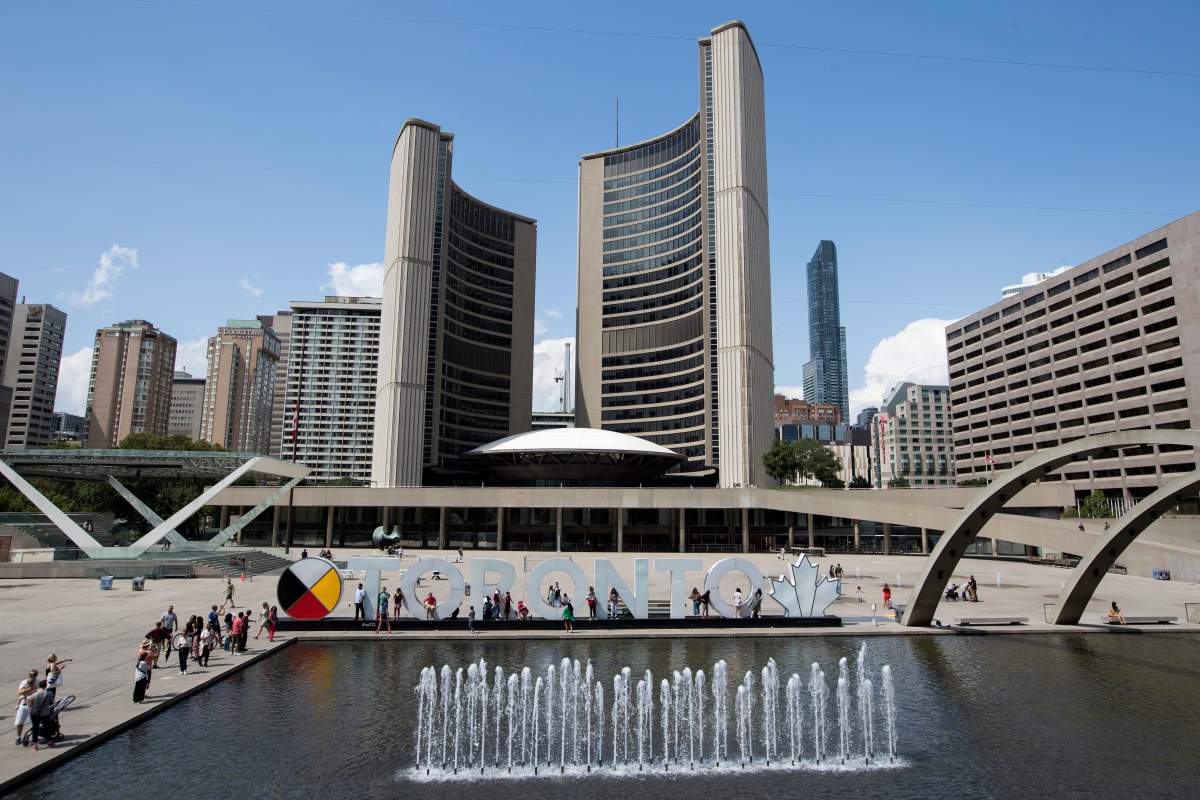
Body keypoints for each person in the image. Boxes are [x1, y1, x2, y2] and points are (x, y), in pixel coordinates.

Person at [26, 680, 55, 750]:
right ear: (46, 686)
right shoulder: (49, 693)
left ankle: (35, 745)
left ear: (39, 686)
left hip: (35, 713)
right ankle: (50, 742)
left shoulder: (34, 694)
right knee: (47, 727)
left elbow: (29, 704)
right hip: (45, 713)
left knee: (35, 728)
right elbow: (52, 701)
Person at [15, 669, 37, 745]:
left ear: (36, 676)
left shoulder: (38, 682)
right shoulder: (24, 682)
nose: (31, 676)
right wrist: (28, 689)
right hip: (23, 705)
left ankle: (34, 739)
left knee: (34, 723)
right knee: (19, 722)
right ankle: (18, 737)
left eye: (33, 675)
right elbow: (19, 692)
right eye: (30, 674)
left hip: (33, 706)